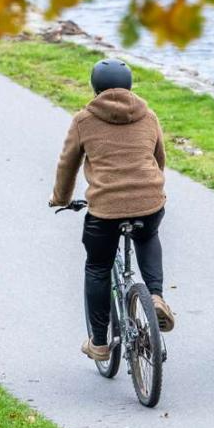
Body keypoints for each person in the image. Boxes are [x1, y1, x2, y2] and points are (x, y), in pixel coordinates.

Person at [50, 59, 175, 361]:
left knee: (97, 266)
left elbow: (68, 164)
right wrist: (150, 188)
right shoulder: (148, 116)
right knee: (148, 235)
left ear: (95, 87)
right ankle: (156, 296)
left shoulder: (84, 120)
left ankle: (99, 343)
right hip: (148, 201)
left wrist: (61, 198)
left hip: (105, 208)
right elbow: (158, 158)